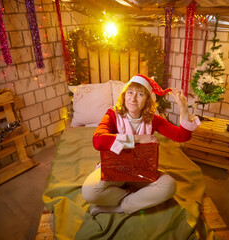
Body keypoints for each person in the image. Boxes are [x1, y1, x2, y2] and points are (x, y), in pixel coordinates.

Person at [82, 75, 201, 216]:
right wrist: (138, 139)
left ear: (147, 100)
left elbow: (181, 136)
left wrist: (184, 111)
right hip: (114, 171)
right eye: (130, 92)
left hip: (142, 172)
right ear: (124, 95)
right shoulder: (112, 115)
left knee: (169, 186)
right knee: (89, 192)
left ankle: (122, 207)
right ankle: (134, 196)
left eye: (140, 94)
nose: (133, 98)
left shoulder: (153, 119)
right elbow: (98, 141)